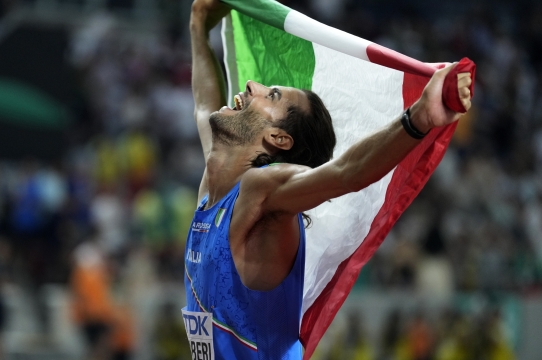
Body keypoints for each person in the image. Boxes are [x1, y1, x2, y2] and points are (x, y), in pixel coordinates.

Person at [183, 0, 473, 359]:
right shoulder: (213, 189)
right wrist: (199, 26)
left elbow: (344, 174)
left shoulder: (262, 188)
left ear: (279, 139)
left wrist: (418, 118)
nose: (251, 84)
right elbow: (202, 107)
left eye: (271, 95)